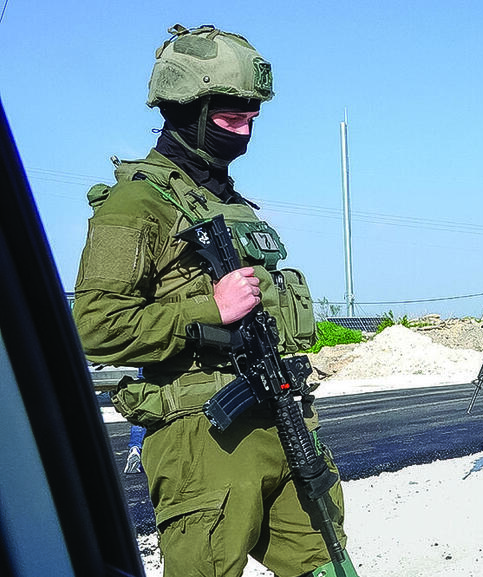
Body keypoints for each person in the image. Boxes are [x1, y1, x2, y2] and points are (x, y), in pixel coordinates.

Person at [72, 24, 357, 576]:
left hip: (281, 422)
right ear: (186, 107)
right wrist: (211, 309)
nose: (245, 129)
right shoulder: (136, 204)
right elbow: (95, 327)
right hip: (203, 440)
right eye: (230, 116)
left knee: (328, 565)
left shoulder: (232, 205)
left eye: (253, 115)